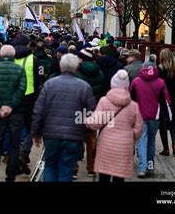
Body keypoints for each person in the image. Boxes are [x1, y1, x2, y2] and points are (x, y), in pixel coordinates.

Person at [31, 54, 96, 182]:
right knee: (66, 168)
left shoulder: (49, 84)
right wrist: (86, 131)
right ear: (76, 67)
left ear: (61, 67)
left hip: (51, 135)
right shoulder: (84, 87)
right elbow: (91, 113)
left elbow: (39, 111)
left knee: (50, 165)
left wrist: (36, 133)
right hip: (74, 136)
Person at [86, 70, 143, 182]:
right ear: (127, 85)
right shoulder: (133, 106)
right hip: (125, 145)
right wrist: (132, 137)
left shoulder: (104, 101)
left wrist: (86, 120)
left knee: (104, 176)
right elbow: (139, 128)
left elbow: (95, 123)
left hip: (106, 144)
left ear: (113, 84)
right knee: (119, 177)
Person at [0, 45, 26, 182]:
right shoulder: (20, 70)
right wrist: (11, 106)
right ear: (14, 56)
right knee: (15, 144)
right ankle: (10, 174)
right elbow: (22, 90)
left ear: (1, 55)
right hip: (16, 113)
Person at [130, 57, 172, 178]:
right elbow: (166, 101)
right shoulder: (160, 82)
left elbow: (131, 98)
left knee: (142, 141)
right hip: (155, 116)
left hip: (140, 116)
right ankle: (150, 165)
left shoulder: (136, 81)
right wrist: (169, 117)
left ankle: (142, 168)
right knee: (151, 141)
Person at [13, 33, 43, 174]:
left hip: (13, 97)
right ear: (27, 45)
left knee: (15, 125)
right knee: (32, 127)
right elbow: (39, 81)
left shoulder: (10, 58)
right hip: (29, 97)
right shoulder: (33, 59)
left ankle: (14, 152)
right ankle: (24, 152)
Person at [76, 48, 106, 177]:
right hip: (93, 109)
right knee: (91, 139)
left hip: (77, 109)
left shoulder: (76, 72)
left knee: (76, 139)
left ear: (82, 59)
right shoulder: (100, 73)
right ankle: (91, 167)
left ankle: (74, 168)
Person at [158, 49, 175, 156]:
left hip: (163, 98)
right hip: (174, 99)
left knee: (163, 124)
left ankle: (166, 149)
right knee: (173, 123)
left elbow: (158, 84)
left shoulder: (160, 69)